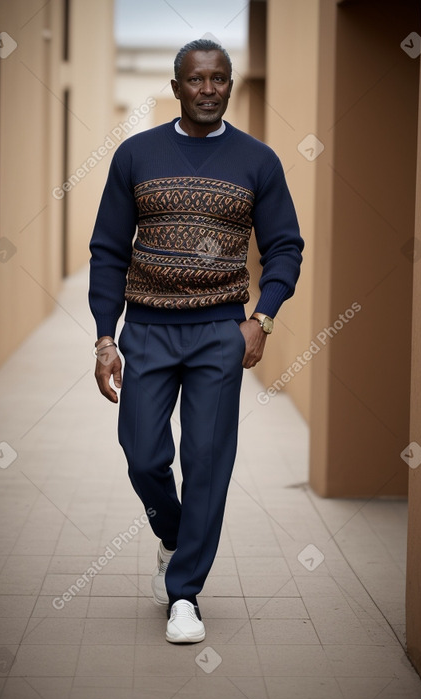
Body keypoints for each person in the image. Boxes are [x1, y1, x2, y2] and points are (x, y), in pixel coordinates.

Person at [89, 38, 304, 644]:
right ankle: (175, 536)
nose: (207, 89)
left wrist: (261, 319)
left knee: (207, 462)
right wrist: (106, 336)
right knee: (143, 455)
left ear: (230, 85)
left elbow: (285, 246)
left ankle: (184, 594)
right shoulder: (136, 155)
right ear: (176, 85)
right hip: (148, 329)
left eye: (218, 79)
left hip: (219, 331)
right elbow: (106, 251)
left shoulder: (258, 161)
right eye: (196, 79)